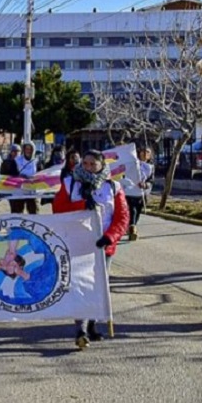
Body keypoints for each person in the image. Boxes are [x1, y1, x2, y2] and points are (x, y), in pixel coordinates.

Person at [52, 149, 129, 349]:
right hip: (78, 243)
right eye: (85, 163)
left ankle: (94, 324)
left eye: (92, 164)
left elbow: (122, 217)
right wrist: (81, 204)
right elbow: (58, 208)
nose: (88, 167)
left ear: (102, 165)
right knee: (79, 285)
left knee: (99, 286)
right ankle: (81, 329)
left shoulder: (113, 187)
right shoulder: (70, 183)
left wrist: (110, 237)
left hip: (103, 244)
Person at [126, 147, 154, 241]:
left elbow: (151, 180)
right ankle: (132, 227)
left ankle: (133, 226)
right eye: (144, 151)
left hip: (142, 193)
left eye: (148, 152)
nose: (145, 153)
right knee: (132, 210)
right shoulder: (134, 163)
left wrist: (145, 184)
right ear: (140, 153)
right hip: (130, 192)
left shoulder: (150, 167)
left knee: (137, 211)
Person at [10, 141, 43, 214]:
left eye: (30, 149)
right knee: (17, 213)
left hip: (32, 191)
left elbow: (41, 174)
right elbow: (12, 174)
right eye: (26, 149)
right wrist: (20, 177)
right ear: (24, 150)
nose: (28, 151)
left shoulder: (36, 161)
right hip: (19, 191)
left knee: (34, 212)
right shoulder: (17, 160)